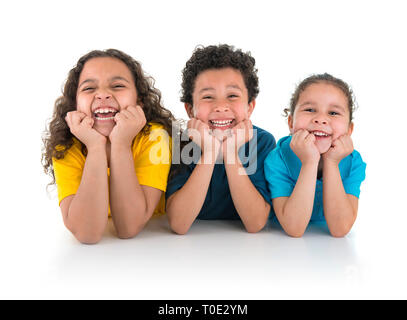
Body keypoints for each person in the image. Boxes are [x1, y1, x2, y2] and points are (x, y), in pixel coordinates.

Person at [42, 49, 174, 244]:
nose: (102, 95)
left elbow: (128, 227)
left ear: (140, 100)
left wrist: (121, 143)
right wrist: (95, 147)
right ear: (75, 104)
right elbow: (87, 234)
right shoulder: (66, 146)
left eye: (118, 85)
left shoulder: (155, 137)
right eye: (88, 89)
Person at [166, 44, 276, 234]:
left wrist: (231, 153)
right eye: (208, 97)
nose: (221, 106)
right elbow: (179, 224)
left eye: (232, 95)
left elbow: (255, 223)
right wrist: (209, 153)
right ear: (190, 109)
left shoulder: (262, 142)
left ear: (249, 107)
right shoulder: (182, 143)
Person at [264, 73, 366, 237]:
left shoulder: (353, 162)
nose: (320, 119)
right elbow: (294, 229)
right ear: (291, 123)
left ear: (349, 130)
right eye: (310, 110)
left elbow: (340, 230)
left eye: (333, 113)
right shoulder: (278, 159)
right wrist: (309, 162)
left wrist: (331, 163)